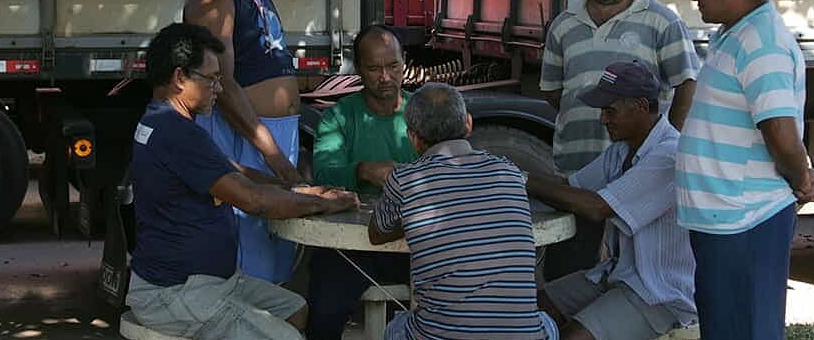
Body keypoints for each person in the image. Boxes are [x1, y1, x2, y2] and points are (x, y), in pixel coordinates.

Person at [125, 22, 359, 340]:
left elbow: (230, 169)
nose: (219, 90)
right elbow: (254, 201)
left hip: (209, 281)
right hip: (175, 293)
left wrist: (296, 189)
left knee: (296, 311)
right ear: (179, 78)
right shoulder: (176, 132)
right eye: (211, 80)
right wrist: (323, 203)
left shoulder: (162, 120)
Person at [676, 0, 814, 340]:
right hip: (726, 221)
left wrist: (801, 181)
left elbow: (780, 130)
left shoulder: (762, 43)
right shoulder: (737, 33)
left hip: (746, 223)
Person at [539, 0, 701, 277]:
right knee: (567, 268)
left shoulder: (662, 21)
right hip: (575, 169)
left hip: (636, 176)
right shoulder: (563, 26)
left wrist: (663, 150)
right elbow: (554, 92)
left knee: (632, 270)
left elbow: (687, 84)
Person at [369, 83, 558, 340]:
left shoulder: (405, 179)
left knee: (396, 327)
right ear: (468, 123)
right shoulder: (509, 172)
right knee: (545, 323)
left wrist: (416, 215)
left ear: (412, 137)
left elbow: (377, 234)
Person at [528, 61, 696, 340]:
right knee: (529, 309)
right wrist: (506, 183)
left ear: (641, 106)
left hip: (658, 293)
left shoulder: (669, 155)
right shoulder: (621, 151)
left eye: (610, 110)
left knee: (572, 337)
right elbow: (569, 189)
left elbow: (597, 208)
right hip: (614, 274)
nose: (603, 119)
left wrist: (524, 178)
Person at [184, 0, 305, 282]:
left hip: (270, 138)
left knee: (274, 251)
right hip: (243, 139)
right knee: (246, 260)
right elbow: (221, 85)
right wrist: (276, 159)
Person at [306, 25, 418, 340]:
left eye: (393, 66)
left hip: (413, 242)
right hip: (349, 246)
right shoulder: (338, 118)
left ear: (404, 63)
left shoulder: (422, 114)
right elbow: (323, 176)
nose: (385, 77)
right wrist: (363, 171)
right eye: (374, 68)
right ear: (357, 69)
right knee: (324, 315)